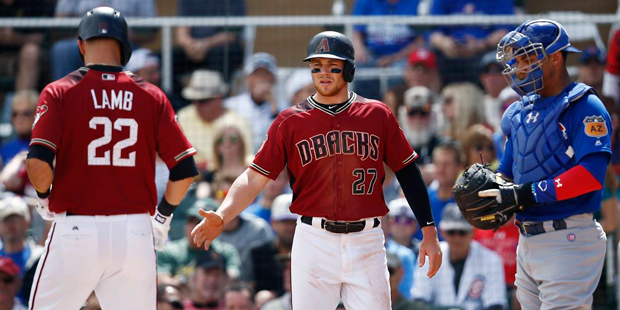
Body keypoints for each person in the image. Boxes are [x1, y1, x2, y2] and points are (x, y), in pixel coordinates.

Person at [190, 31, 442, 310]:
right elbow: (254, 176)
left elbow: (408, 172)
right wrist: (224, 214)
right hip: (314, 239)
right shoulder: (290, 121)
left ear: (349, 70)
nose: (323, 73)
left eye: (333, 67)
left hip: (366, 239)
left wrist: (428, 231)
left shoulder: (377, 114)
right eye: (316, 67)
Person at [24, 7, 198, 310]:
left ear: (81, 45)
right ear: (124, 45)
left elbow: (38, 162)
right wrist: (163, 217)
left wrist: (43, 198)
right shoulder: (152, 95)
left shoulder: (60, 90)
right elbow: (184, 169)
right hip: (135, 232)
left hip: (77, 230)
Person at [481, 19, 611, 309]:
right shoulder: (519, 110)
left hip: (568, 237)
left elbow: (592, 175)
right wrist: (491, 191)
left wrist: (526, 194)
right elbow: (508, 171)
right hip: (527, 240)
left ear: (555, 58)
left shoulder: (584, 105)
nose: (518, 65)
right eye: (516, 57)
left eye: (527, 56)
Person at [412, 204, 506, 310]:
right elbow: (419, 301)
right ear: (442, 232)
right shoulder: (429, 256)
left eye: (462, 232)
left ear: (472, 232)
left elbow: (495, 305)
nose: (457, 238)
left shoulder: (491, 260)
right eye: (451, 232)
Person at [177, 70, 252, 172]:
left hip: (223, 180)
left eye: (203, 101)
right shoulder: (183, 117)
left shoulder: (237, 121)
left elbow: (247, 159)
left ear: (219, 98)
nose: (197, 105)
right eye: (194, 100)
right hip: (187, 179)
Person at [157, 199, 241, 285]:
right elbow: (161, 279)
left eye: (200, 222)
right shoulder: (170, 250)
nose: (194, 226)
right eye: (190, 220)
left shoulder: (225, 251)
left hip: (215, 296)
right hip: (182, 296)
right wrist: (188, 281)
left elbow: (233, 277)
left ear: (215, 226)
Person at [225, 53, 286, 152]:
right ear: (247, 79)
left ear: (273, 79)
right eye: (256, 74)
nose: (261, 79)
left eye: (266, 74)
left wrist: (273, 106)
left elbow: (283, 140)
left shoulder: (285, 108)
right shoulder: (231, 105)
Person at [249, 193, 296, 295]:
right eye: (284, 222)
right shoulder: (258, 253)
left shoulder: (309, 253)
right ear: (273, 223)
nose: (289, 227)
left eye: (293, 222)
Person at [2, 90, 38, 166]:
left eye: (26, 113)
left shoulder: (47, 148)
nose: (19, 118)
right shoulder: (4, 149)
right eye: (15, 114)